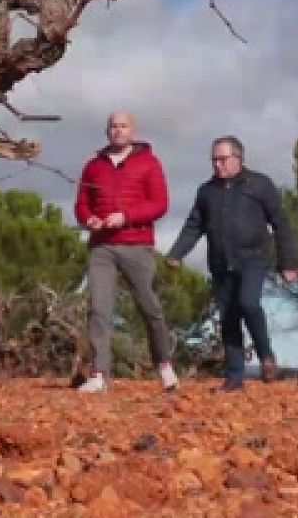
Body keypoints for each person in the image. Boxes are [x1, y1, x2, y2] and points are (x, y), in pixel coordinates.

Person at [166, 135, 298, 390]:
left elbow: (281, 224)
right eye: (214, 160)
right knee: (228, 317)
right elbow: (194, 226)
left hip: (253, 258)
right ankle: (235, 378)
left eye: (223, 159)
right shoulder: (206, 191)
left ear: (238, 158)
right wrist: (176, 253)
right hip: (220, 262)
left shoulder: (259, 184)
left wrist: (288, 262)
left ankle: (266, 355)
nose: (218, 165)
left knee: (249, 304)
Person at [73, 110, 179, 393]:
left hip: (137, 244)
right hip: (102, 247)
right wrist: (89, 219)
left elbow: (160, 203)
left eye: (123, 126)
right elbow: (81, 204)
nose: (118, 130)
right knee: (99, 309)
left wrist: (126, 216)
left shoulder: (149, 163)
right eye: (113, 126)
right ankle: (99, 374)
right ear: (107, 131)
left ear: (133, 131)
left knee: (150, 307)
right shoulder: (93, 166)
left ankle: (165, 366)